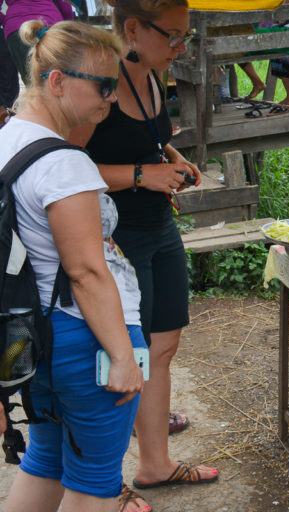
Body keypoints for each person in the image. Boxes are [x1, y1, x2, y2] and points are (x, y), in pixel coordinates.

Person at [70, 1, 217, 509]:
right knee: (124, 354)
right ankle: (104, 484)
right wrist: (139, 175)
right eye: (173, 36)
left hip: (158, 225)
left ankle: (155, 463)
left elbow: (151, 143)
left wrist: (171, 162)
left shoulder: (156, 76)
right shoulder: (103, 84)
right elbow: (73, 167)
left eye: (185, 37)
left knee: (162, 347)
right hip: (117, 234)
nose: (181, 47)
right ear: (133, 28)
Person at [0, 19, 146, 512]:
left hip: (36, 337)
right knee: (96, 479)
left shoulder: (8, 139)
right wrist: (123, 356)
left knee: (46, 459)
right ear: (57, 81)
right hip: (85, 342)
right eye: (103, 84)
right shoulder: (65, 165)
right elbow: (86, 272)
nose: (111, 96)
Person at [3, 0, 75, 85]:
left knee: (32, 83)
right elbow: (64, 4)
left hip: (16, 29)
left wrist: (7, 20)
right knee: (58, 80)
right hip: (49, 23)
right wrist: (68, 27)